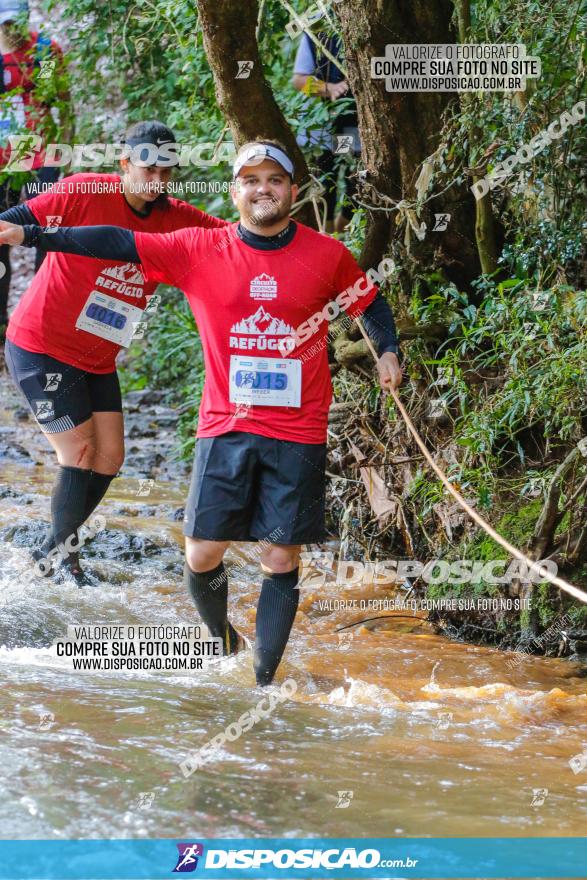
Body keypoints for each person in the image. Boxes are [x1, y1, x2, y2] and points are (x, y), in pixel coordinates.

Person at [0, 138, 402, 686]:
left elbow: (369, 301)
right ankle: (223, 640)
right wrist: (32, 234)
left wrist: (388, 352)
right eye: (251, 180)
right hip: (222, 425)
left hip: (298, 430)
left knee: (280, 558)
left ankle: (265, 684)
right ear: (235, 191)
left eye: (275, 180)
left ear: (291, 191)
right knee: (201, 553)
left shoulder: (324, 254)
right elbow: (116, 240)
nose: (264, 189)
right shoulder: (198, 248)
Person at [1, 119, 228, 584]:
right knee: (80, 451)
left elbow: (232, 240)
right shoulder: (84, 191)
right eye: (149, 168)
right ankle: (64, 560)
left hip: (98, 357)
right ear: (125, 163)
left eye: (168, 172)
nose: (158, 180)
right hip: (41, 346)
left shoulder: (178, 217)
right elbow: (18, 220)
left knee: (110, 458)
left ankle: (52, 549)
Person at [0, 0, 72, 338]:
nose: (10, 30)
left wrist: (67, 147)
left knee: (46, 229)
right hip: (2, 160)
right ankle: (2, 322)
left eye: (16, 23)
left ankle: (42, 313)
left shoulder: (43, 50)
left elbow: (61, 101)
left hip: (41, 153)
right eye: (4, 24)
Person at [292, 24, 359, 233]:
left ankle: (346, 240)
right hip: (324, 128)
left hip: (354, 128)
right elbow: (300, 81)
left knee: (355, 186)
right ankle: (326, 239)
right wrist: (330, 88)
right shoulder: (316, 30)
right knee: (324, 187)